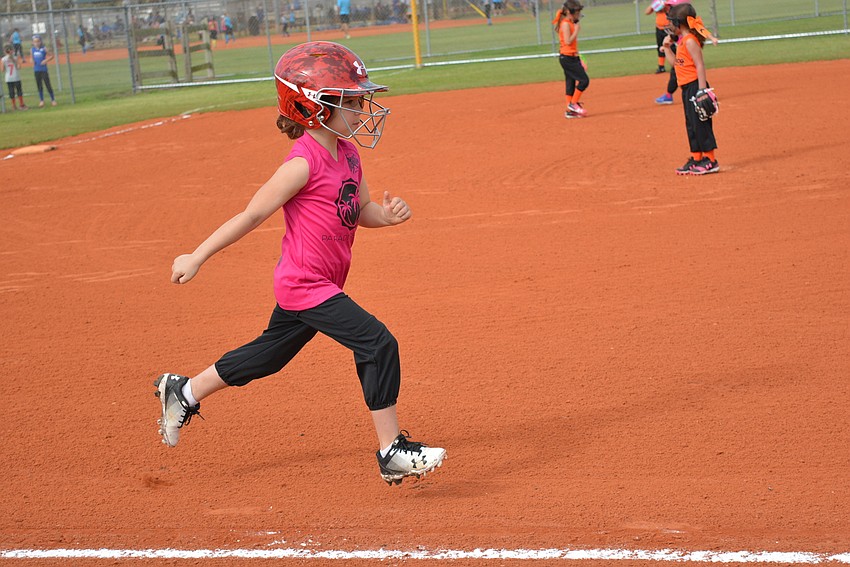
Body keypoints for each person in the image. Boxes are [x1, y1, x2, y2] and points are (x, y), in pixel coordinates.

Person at [154, 41, 446, 486]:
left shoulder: (349, 153)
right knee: (377, 343)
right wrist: (197, 255)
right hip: (305, 284)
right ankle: (391, 451)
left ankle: (184, 392)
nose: (362, 106)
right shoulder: (301, 164)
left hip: (321, 281)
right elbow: (251, 215)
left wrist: (385, 217)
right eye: (350, 100)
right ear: (313, 106)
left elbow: (360, 209)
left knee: (268, 356)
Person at [662, 3, 719, 175]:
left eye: (672, 22)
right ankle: (696, 158)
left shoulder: (690, 41)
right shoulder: (681, 42)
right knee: (691, 124)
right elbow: (676, 65)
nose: (670, 25)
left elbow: (700, 66)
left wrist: (702, 91)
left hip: (696, 87)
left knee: (701, 124)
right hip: (686, 88)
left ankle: (710, 159)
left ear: (681, 23)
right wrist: (666, 48)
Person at [553, 0, 589, 118]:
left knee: (571, 83)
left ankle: (570, 111)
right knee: (584, 81)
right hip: (567, 58)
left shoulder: (569, 23)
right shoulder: (565, 24)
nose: (578, 16)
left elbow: (573, 46)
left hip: (571, 57)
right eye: (577, 13)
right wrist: (577, 31)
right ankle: (573, 104)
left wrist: (579, 58)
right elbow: (568, 41)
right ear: (569, 12)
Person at [30, 35, 57, 107]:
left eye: (38, 41)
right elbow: (31, 58)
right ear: (33, 42)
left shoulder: (44, 49)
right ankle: (41, 100)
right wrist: (32, 61)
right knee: (39, 85)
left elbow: (51, 56)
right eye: (35, 42)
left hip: (43, 70)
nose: (37, 43)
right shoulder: (32, 49)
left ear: (40, 41)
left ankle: (53, 100)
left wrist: (46, 60)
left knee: (48, 84)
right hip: (37, 70)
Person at [645, 0, 670, 74]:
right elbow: (647, 12)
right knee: (660, 47)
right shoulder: (657, 3)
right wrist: (654, 5)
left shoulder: (669, 2)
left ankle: (677, 64)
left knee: (671, 47)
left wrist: (664, 5)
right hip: (659, 28)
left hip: (668, 29)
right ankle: (661, 67)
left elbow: (668, 10)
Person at [2, 44, 27, 110]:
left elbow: (2, 70)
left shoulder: (3, 59)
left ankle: (14, 106)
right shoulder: (15, 57)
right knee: (18, 91)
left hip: (9, 78)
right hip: (16, 77)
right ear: (12, 51)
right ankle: (21, 105)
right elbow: (19, 67)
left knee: (11, 92)